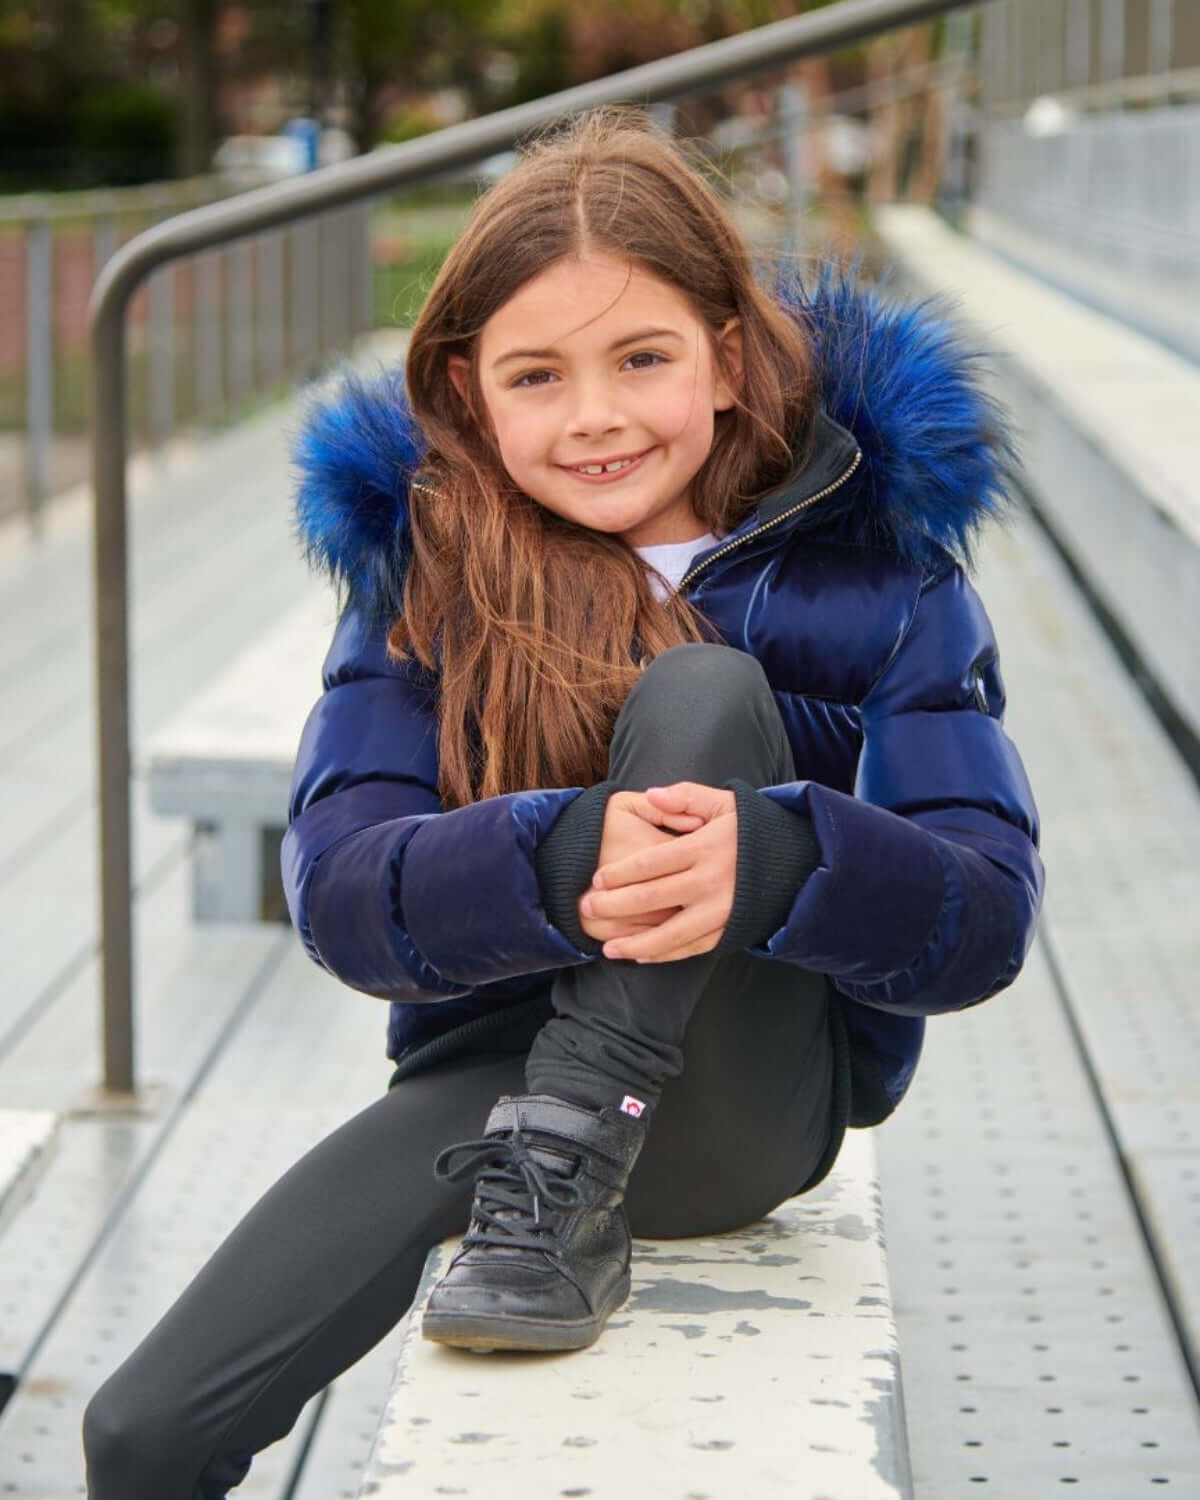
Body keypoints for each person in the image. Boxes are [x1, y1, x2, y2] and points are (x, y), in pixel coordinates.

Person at [81, 105, 1044, 1493]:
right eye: (538, 375)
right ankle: (554, 1165)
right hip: (500, 1092)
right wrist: (559, 859)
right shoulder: (429, 581)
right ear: (470, 392)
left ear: (723, 358)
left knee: (704, 697)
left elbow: (985, 916)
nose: (593, 416)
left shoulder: (889, 584)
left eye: (640, 358)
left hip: (740, 1104)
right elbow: (345, 892)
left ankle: (579, 1149)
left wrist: (778, 861)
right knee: (143, 1430)